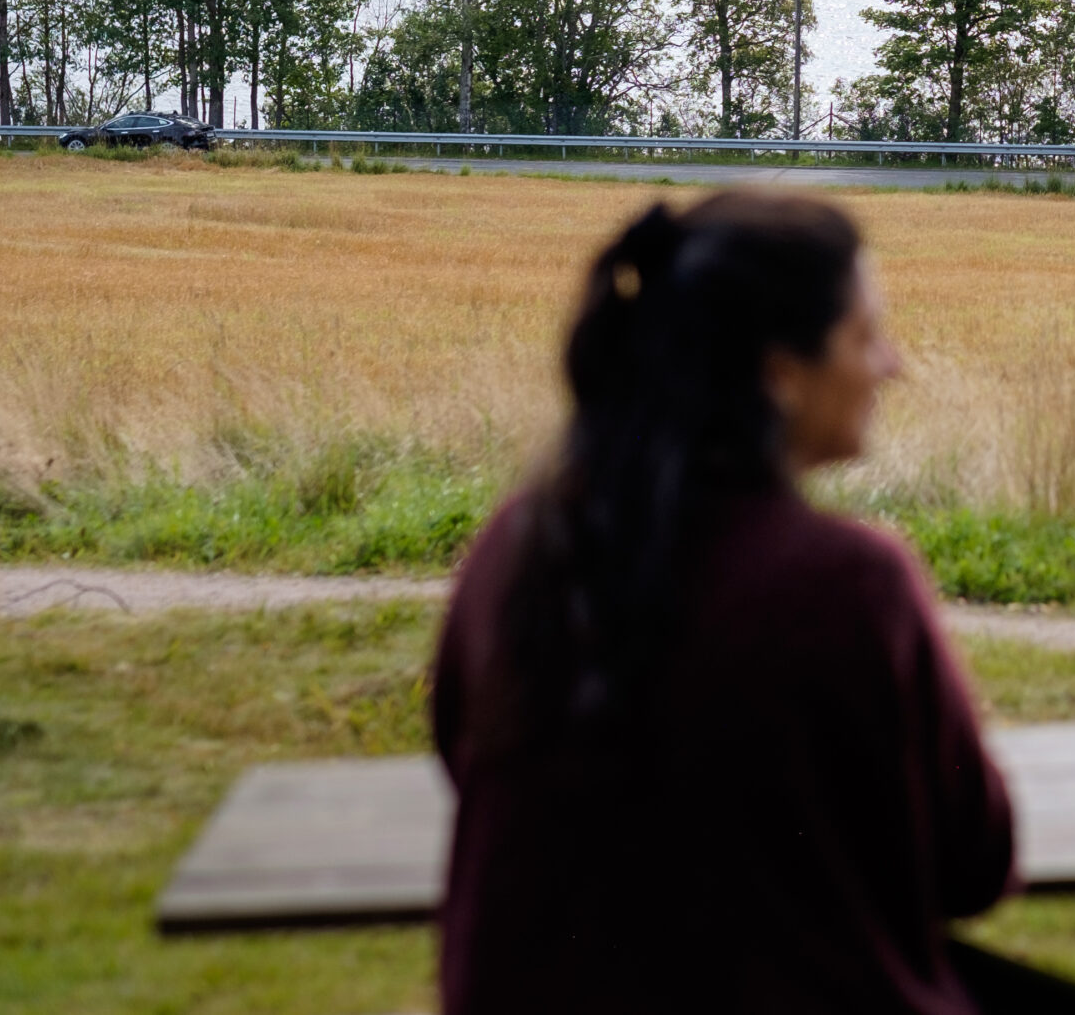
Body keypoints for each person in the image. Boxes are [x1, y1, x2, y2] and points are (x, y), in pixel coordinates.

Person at [430, 192, 1017, 1015]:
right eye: (865, 334)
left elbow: (467, 760)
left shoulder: (515, 549)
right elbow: (975, 861)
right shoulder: (849, 584)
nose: (894, 363)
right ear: (779, 373)